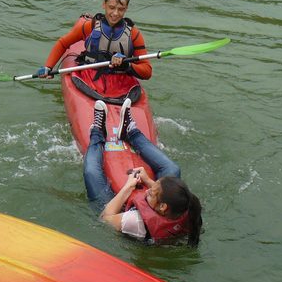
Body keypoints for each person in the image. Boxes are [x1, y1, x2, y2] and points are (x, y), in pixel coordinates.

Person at [84, 99, 202, 245]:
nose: (148, 191)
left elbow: (105, 219)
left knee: (91, 172)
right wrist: (147, 180)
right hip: (158, 211)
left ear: (163, 207)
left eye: (152, 192)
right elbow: (161, 195)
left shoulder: (136, 222)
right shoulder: (188, 209)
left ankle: (97, 133)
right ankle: (131, 132)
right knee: (173, 170)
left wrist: (128, 186)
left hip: (115, 211)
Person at [37, 0, 151, 98]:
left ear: (126, 9)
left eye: (121, 9)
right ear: (104, 5)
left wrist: (127, 65)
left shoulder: (134, 34)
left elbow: (147, 71)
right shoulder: (90, 26)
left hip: (120, 84)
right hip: (90, 79)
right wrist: (48, 66)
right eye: (111, 7)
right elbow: (63, 43)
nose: (115, 13)